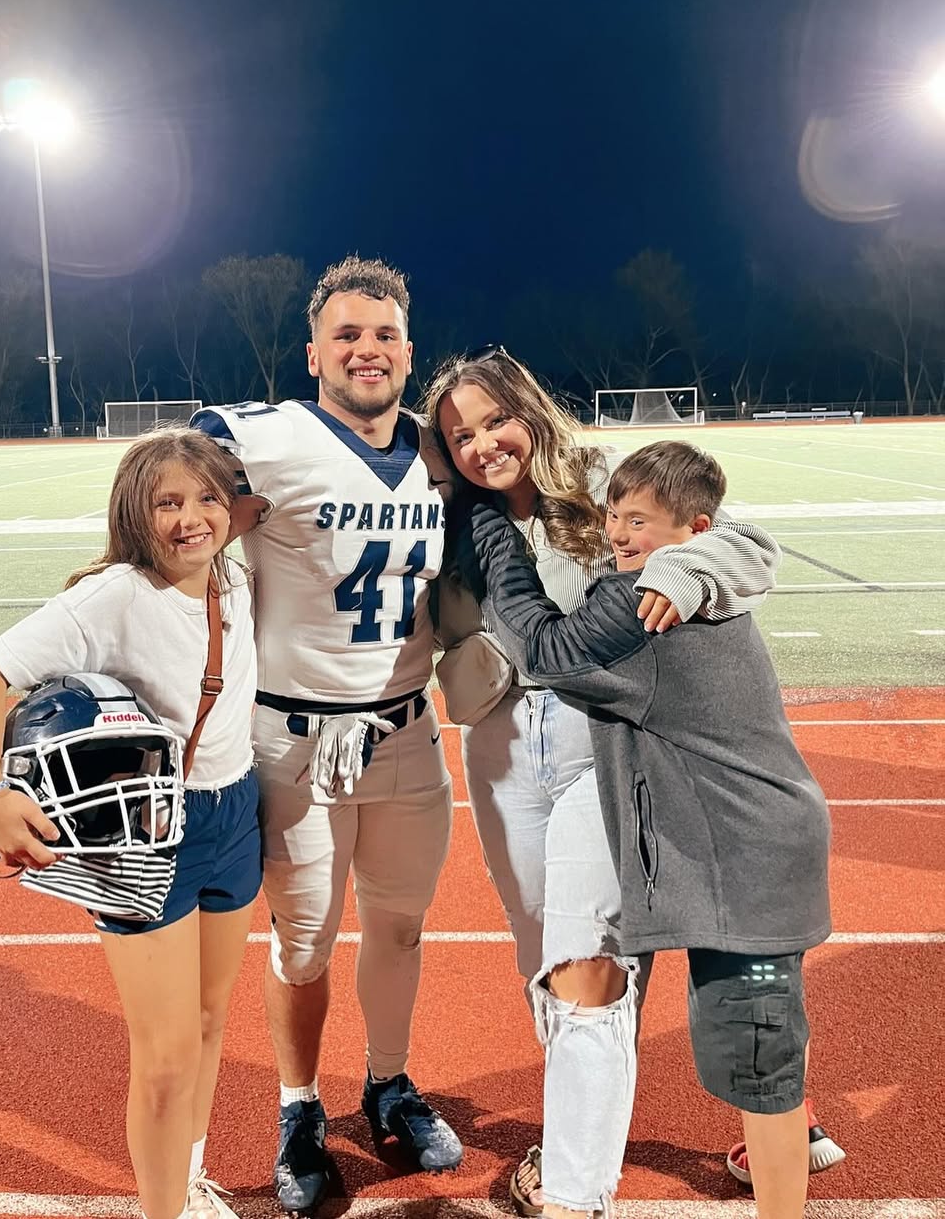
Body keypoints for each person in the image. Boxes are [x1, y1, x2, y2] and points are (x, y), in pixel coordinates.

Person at [423, 349, 842, 1218]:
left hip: (604, 731)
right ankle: (597, 1131)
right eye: (461, 436)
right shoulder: (451, 516)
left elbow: (744, 543)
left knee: (591, 961)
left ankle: (581, 1187)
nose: (483, 444)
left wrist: (687, 570)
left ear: (531, 410)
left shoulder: (600, 479)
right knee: (547, 960)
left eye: (496, 420)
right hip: (503, 739)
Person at [192, 257, 462, 1214]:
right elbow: (167, 492)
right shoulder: (261, 438)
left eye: (384, 335)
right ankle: (298, 1105)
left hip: (409, 733)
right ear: (313, 353)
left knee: (400, 924)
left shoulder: (440, 450)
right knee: (303, 945)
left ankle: (387, 1081)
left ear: (409, 351)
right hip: (296, 742)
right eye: (347, 334)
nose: (367, 350)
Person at [0, 428, 260, 1219]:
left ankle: (188, 1183)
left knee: (208, 1022)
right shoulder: (115, 596)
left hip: (236, 811)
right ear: (134, 513)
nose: (191, 518)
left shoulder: (238, 576)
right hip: (147, 829)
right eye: (168, 503)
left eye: (207, 498)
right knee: (164, 1057)